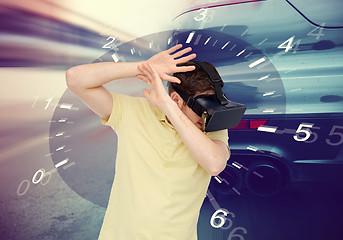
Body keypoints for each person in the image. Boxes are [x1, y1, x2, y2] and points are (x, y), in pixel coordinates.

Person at [65, 44, 230, 240]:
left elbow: (215, 164)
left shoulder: (211, 126)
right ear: (176, 99)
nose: (206, 115)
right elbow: (75, 79)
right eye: (201, 107)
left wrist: (170, 109)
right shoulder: (132, 111)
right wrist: (144, 67)